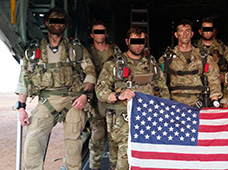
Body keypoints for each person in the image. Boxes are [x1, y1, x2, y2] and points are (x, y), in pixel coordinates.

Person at [15, 8, 96, 170]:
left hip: (73, 99)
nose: (57, 25)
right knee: (33, 140)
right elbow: (24, 78)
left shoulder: (75, 49)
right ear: (47, 23)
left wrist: (85, 95)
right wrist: (21, 108)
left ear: (65, 25)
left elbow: (90, 72)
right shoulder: (34, 51)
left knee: (73, 143)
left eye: (61, 22)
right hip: (47, 101)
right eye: (54, 21)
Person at [95, 27, 170, 170]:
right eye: (134, 41)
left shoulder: (152, 66)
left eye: (141, 41)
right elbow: (100, 90)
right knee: (120, 162)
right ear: (127, 41)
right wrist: (118, 95)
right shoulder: (114, 65)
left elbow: (163, 91)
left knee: (143, 160)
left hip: (146, 122)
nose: (138, 45)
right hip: (121, 123)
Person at [158, 19, 222, 108]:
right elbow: (160, 83)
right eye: (181, 31)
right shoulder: (166, 59)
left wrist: (214, 100)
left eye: (187, 31)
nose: (185, 34)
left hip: (199, 103)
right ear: (176, 35)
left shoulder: (204, 57)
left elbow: (213, 79)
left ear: (192, 34)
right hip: (174, 104)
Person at [88, 20, 120, 170]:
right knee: (98, 135)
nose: (100, 35)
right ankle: (95, 166)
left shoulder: (115, 52)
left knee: (114, 137)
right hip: (94, 101)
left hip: (112, 100)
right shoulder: (87, 53)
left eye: (102, 31)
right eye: (97, 32)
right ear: (92, 34)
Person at [194, 17, 228, 84]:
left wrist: (225, 77)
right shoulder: (194, 48)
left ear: (213, 31)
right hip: (199, 85)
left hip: (219, 85)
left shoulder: (222, 48)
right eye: (205, 30)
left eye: (209, 30)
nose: (207, 32)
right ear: (200, 32)